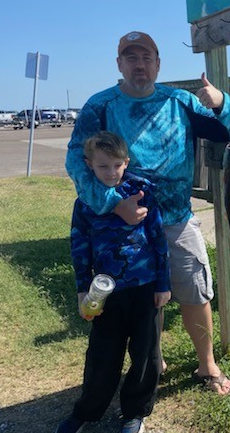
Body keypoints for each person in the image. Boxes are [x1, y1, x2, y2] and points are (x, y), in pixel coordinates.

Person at [65, 31, 230, 397]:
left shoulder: (180, 101)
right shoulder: (100, 106)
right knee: (148, 298)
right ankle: (153, 358)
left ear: (158, 63)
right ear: (119, 64)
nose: (139, 64)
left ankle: (206, 364)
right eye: (130, 58)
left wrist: (221, 101)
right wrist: (115, 203)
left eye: (145, 57)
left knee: (195, 292)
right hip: (126, 226)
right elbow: (76, 160)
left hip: (177, 219)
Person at [57, 131, 171, 433]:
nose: (111, 172)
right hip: (104, 292)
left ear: (126, 162)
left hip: (145, 287)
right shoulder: (86, 201)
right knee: (102, 354)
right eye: (103, 166)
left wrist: (163, 283)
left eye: (117, 165)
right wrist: (83, 289)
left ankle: (135, 412)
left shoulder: (142, 191)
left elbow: (159, 238)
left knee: (145, 353)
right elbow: (79, 246)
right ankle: (87, 411)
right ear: (89, 165)